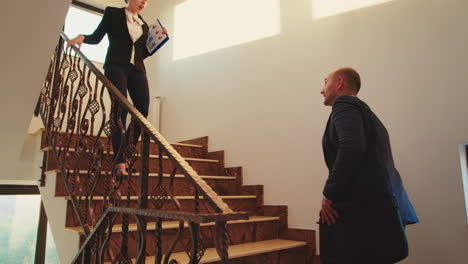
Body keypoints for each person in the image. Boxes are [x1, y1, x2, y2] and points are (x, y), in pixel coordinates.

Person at [319, 67, 419, 264]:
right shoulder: (369, 116)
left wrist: (328, 194)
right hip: (382, 209)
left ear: (339, 83)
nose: (321, 90)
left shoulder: (344, 103)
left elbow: (352, 147)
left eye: (325, 82)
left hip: (364, 215)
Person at [67, 0, 167, 174]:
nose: (144, 2)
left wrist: (158, 40)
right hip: (116, 65)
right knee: (120, 108)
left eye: (147, 0)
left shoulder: (143, 24)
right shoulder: (113, 13)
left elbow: (141, 53)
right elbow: (97, 37)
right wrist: (82, 37)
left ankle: (125, 152)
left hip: (137, 69)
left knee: (142, 111)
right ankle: (119, 160)